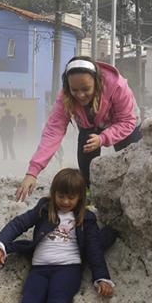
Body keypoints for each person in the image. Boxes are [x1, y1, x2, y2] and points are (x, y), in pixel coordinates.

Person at [0, 168, 114, 303]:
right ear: (53, 193)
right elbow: (18, 224)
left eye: (71, 198)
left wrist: (102, 277)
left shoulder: (86, 218)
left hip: (68, 270)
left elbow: (94, 250)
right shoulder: (44, 209)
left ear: (80, 197)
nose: (65, 202)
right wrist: (0, 244)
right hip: (39, 269)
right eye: (61, 196)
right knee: (29, 301)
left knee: (57, 301)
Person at [15, 56, 139, 201]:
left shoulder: (117, 86)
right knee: (87, 147)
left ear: (97, 82)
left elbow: (127, 121)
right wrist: (32, 172)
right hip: (90, 124)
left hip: (124, 123)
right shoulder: (65, 97)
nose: (80, 95)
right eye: (75, 90)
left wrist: (103, 138)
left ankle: (133, 195)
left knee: (131, 159)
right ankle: (88, 194)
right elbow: (53, 132)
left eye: (86, 89)